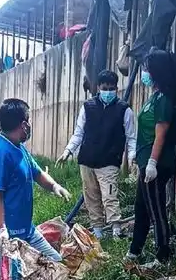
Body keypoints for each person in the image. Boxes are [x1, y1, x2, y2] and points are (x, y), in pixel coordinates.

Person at [0, 98, 72, 280]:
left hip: (27, 230)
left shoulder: (19, 148)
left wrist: (55, 186)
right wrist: (2, 229)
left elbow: (37, 173)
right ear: (23, 124)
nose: (29, 126)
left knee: (54, 262)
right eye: (28, 121)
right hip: (3, 234)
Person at [57, 70, 136, 239]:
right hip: (87, 160)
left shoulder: (124, 110)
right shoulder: (88, 106)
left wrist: (131, 157)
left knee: (109, 196)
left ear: (117, 88)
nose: (108, 91)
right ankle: (98, 231)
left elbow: (131, 137)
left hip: (109, 161)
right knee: (91, 196)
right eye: (105, 88)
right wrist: (67, 151)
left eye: (111, 88)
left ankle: (116, 231)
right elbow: (79, 133)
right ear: (99, 87)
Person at [125, 48, 176, 269]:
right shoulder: (156, 96)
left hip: (157, 164)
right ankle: (134, 251)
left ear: (157, 71)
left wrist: (152, 163)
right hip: (147, 162)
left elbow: (161, 134)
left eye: (147, 69)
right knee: (141, 207)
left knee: (156, 210)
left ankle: (162, 256)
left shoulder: (166, 99)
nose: (144, 73)